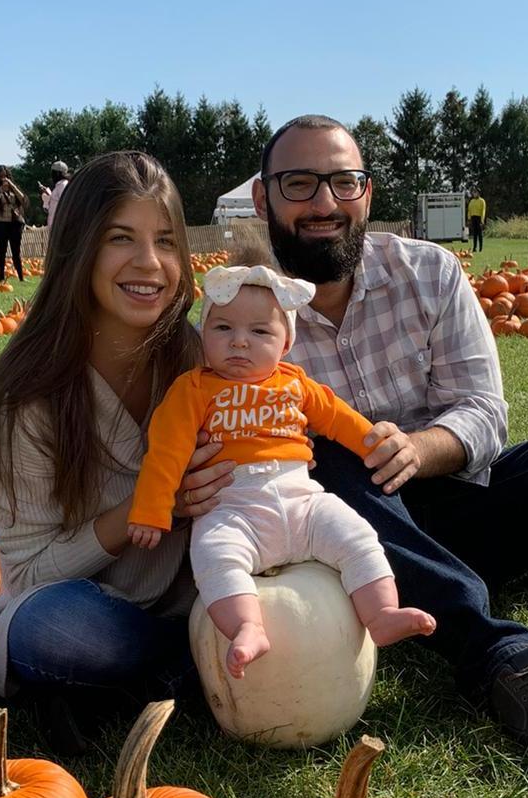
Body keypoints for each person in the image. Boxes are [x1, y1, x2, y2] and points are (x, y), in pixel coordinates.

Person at [248, 114, 528, 768]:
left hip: (466, 505)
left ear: (367, 192)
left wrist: (419, 449)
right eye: (299, 184)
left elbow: (481, 410)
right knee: (315, 450)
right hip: (360, 549)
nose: (324, 203)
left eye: (342, 182)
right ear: (263, 198)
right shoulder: (242, 320)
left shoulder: (429, 273)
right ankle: (499, 658)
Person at [0, 151, 236, 732]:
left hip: (205, 598)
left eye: (165, 241)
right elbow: (32, 577)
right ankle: (178, 673)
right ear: (78, 250)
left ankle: (148, 681)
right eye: (121, 239)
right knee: (51, 629)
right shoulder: (29, 398)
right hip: (91, 612)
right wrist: (147, 506)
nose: (150, 263)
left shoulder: (203, 362)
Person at [126, 263, 435, 678]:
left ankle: (381, 613)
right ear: (204, 337)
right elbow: (166, 452)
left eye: (259, 332)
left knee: (357, 535)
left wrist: (374, 443)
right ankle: (247, 626)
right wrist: (151, 509)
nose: (239, 342)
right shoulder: (193, 390)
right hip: (231, 508)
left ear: (286, 342)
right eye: (222, 329)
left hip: (301, 500)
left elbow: (340, 419)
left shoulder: (296, 383)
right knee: (214, 557)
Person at [0, 166, 29, 283]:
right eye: (1, 176)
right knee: (2, 250)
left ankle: (21, 277)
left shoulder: (13, 189)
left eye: (5, 176)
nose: (3, 179)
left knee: (16, 251)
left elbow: (24, 200)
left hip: (15, 223)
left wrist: (13, 186)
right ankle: (1, 277)